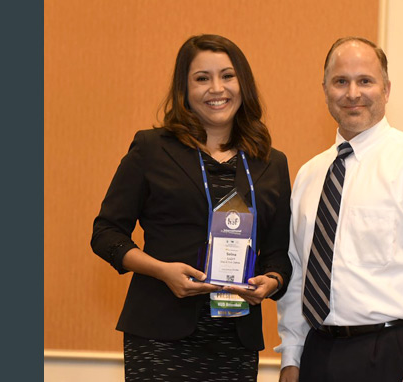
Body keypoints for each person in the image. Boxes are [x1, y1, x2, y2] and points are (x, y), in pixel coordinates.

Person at [91, 34, 292, 382]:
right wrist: (162, 271)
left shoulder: (270, 163)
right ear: (184, 89)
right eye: (202, 78)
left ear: (243, 83)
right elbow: (106, 234)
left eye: (227, 76)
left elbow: (277, 253)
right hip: (160, 335)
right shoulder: (151, 149)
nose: (218, 88)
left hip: (236, 340)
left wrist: (271, 281)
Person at [275, 36, 403, 382]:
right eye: (340, 82)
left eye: (365, 81)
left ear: (387, 89)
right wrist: (292, 353)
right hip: (316, 352)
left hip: (393, 352)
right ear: (325, 89)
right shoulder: (309, 175)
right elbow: (299, 273)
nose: (352, 94)